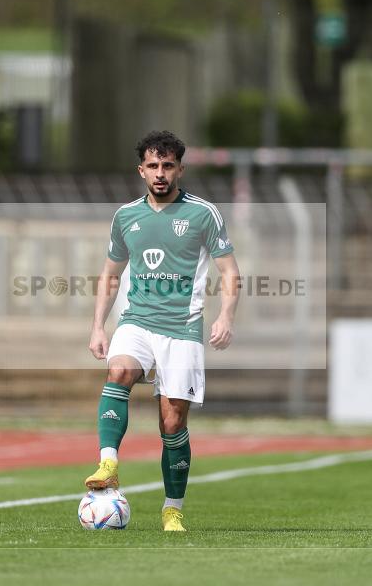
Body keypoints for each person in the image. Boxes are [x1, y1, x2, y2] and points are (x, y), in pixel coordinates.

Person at [85, 130, 241, 531]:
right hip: (137, 320)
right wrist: (98, 326)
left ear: (180, 169)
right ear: (141, 170)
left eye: (168, 166)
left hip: (182, 329)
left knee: (172, 423)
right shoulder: (126, 217)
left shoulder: (203, 214)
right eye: (153, 166)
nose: (160, 173)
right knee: (118, 372)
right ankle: (108, 462)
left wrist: (225, 316)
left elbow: (229, 272)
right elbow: (110, 275)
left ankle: (172, 508)